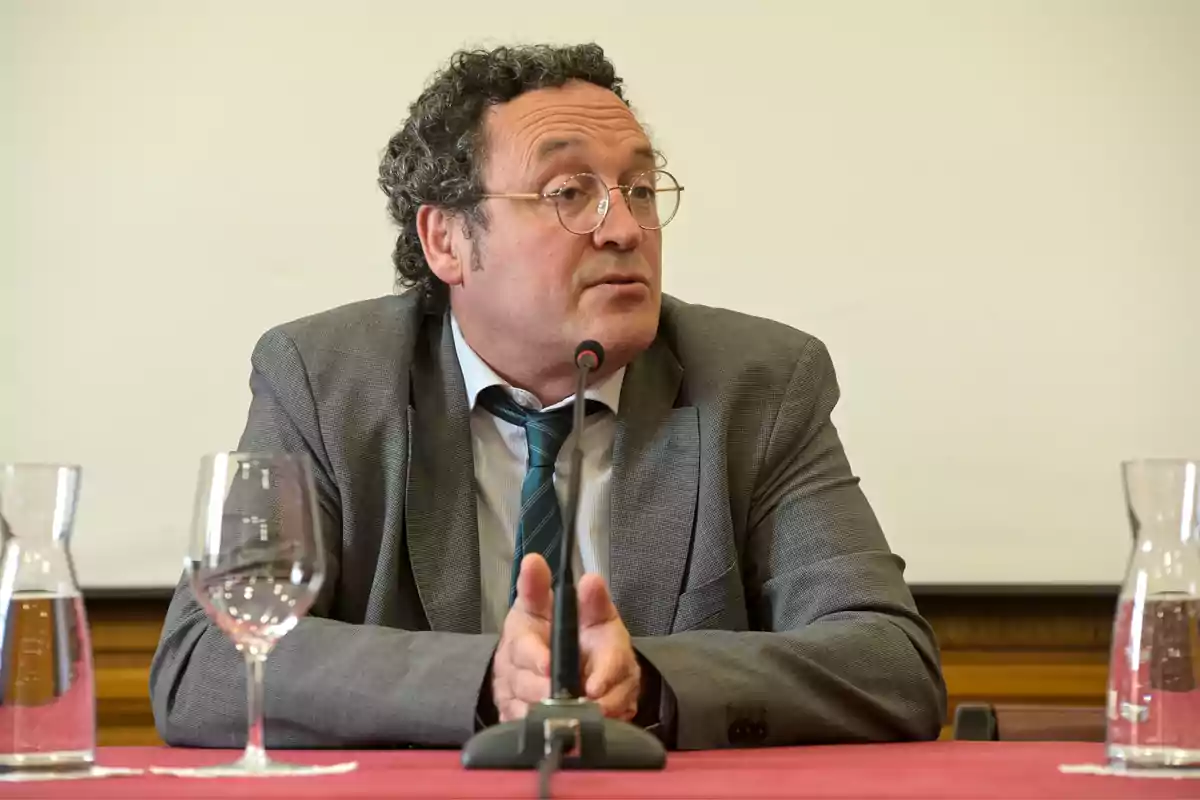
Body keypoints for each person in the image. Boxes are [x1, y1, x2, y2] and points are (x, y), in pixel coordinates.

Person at [149, 42, 946, 750]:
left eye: (639, 188)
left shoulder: (759, 381)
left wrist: (656, 679)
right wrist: (486, 680)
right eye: (570, 193)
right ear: (448, 241)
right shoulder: (326, 380)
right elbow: (206, 664)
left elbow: (890, 662)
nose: (624, 228)